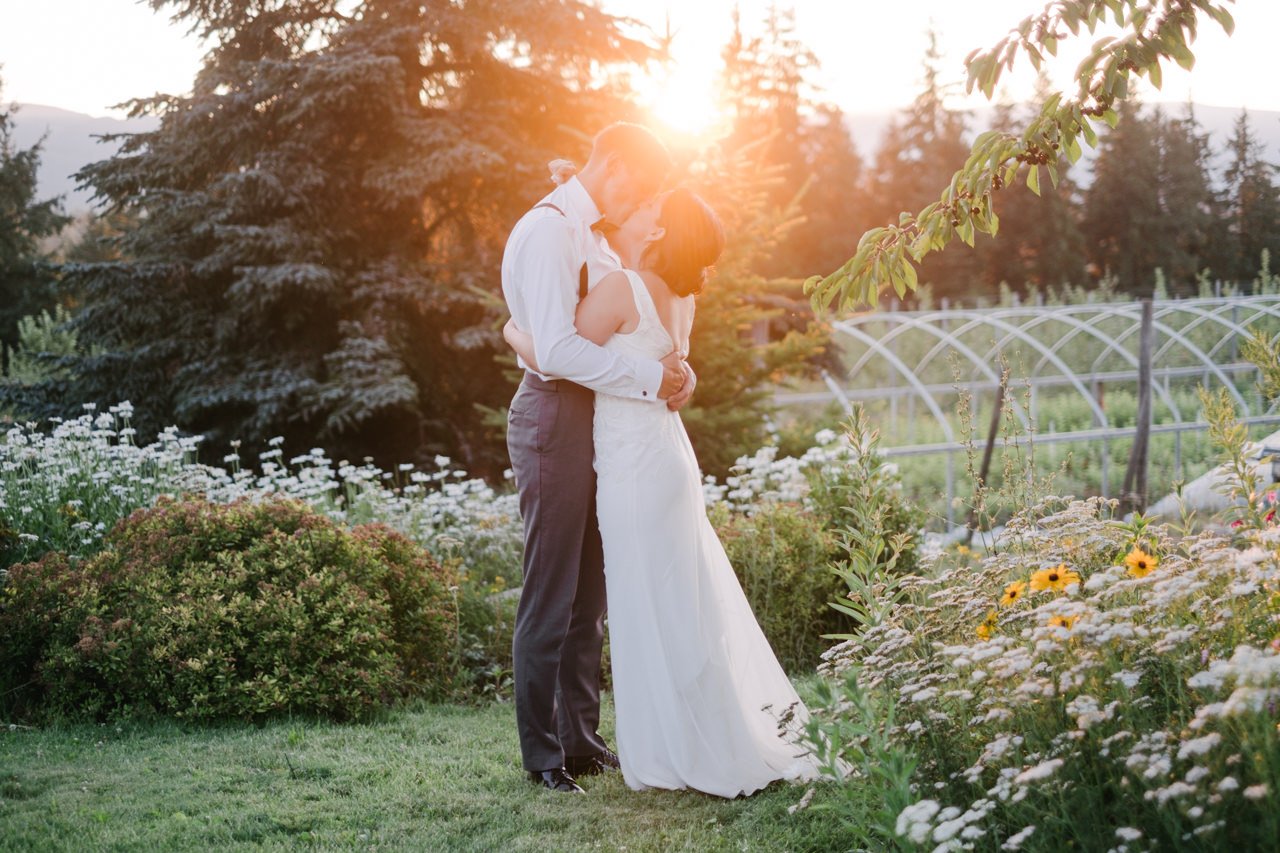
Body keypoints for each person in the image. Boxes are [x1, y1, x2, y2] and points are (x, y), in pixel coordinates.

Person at [504, 179, 820, 798]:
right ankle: (587, 746)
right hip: (659, 456)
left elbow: (554, 353)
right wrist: (673, 375)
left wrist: (513, 330)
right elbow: (664, 359)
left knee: (624, 603)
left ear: (659, 229)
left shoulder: (621, 284)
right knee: (663, 602)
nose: (636, 207)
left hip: (632, 463)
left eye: (650, 207)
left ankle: (620, 745)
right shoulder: (676, 294)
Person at [500, 123, 692, 794]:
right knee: (551, 590)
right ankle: (542, 754)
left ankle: (581, 740)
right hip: (554, 413)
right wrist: (646, 381)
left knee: (589, 596)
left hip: (602, 419)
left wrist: (670, 370)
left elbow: (618, 322)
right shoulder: (552, 229)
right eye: (640, 184)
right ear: (613, 165)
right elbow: (555, 350)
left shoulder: (593, 233)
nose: (642, 199)